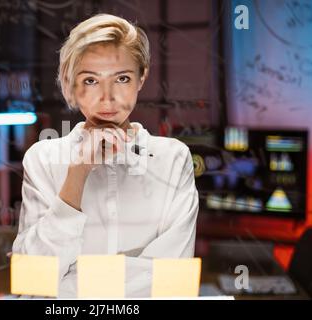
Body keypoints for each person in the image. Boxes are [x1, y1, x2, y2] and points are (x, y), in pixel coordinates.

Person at [12, 13, 199, 297]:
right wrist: (76, 175)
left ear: (141, 78)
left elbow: (171, 282)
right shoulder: (44, 158)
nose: (107, 97)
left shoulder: (173, 159)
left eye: (122, 78)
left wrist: (69, 281)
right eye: (90, 80)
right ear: (71, 83)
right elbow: (31, 278)